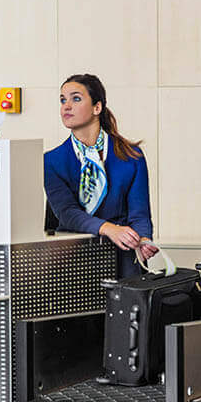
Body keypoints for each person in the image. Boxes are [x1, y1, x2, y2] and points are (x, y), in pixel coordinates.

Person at [43, 73, 157, 278]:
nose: (66, 106)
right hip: (73, 258)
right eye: (62, 100)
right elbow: (67, 214)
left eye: (76, 98)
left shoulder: (132, 156)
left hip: (122, 257)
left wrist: (144, 239)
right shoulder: (52, 161)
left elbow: (139, 214)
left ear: (97, 107)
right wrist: (109, 229)